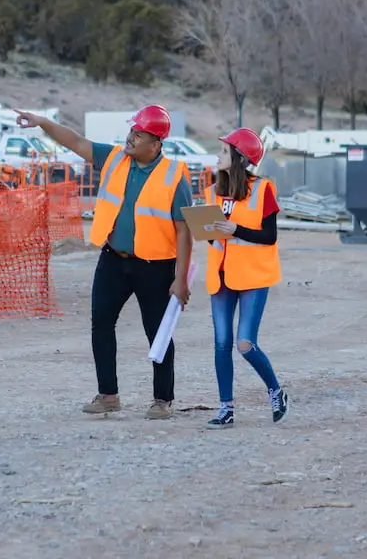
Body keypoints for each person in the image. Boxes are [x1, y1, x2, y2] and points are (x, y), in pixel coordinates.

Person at [14, 105, 194, 420]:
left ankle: (162, 399)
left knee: (157, 332)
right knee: (101, 323)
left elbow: (183, 230)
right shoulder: (114, 159)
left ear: (155, 144)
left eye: (138, 135)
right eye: (131, 132)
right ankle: (108, 395)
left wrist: (180, 279)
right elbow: (76, 142)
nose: (131, 138)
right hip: (113, 259)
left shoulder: (173, 176)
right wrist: (43, 122)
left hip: (154, 266)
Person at [201, 127, 288, 428]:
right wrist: (207, 231)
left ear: (239, 158)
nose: (218, 155)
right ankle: (226, 408)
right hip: (221, 275)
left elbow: (269, 235)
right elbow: (212, 237)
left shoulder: (264, 189)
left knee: (245, 344)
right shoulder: (212, 191)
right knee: (221, 343)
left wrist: (234, 230)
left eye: (224, 151)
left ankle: (275, 390)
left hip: (253, 276)